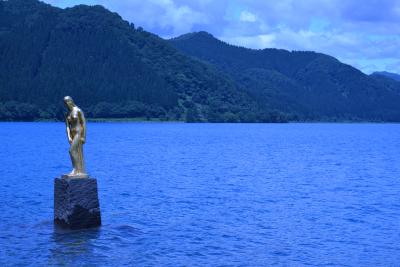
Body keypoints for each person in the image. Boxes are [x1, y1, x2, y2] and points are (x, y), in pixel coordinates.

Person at [64, 96, 87, 177]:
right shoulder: (67, 114)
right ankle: (79, 171)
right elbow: (67, 127)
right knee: (76, 151)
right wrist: (69, 137)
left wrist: (83, 136)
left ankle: (75, 169)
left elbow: (83, 123)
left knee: (71, 150)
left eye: (67, 101)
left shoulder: (78, 110)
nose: (66, 104)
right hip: (72, 134)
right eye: (65, 102)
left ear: (71, 101)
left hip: (78, 133)